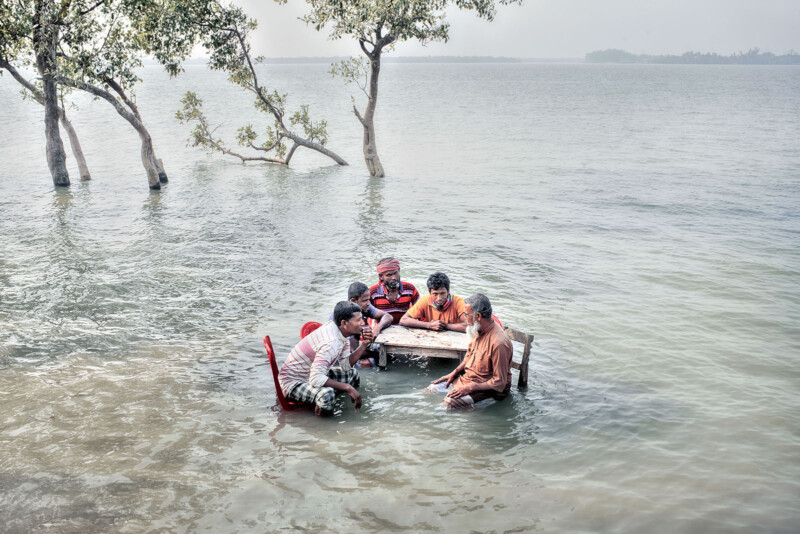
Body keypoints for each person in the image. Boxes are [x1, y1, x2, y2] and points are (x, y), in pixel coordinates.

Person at [279, 301, 374, 416]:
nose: (363, 323)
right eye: (358, 320)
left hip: (310, 374)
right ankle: (322, 428)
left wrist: (364, 344)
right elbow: (315, 379)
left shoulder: (342, 333)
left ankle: (350, 407)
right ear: (344, 323)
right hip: (292, 383)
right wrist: (347, 388)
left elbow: (345, 365)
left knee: (353, 373)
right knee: (327, 395)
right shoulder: (331, 342)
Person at [427, 293, 513, 409]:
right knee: (432, 388)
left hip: (488, 391)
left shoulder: (498, 343)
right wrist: (454, 373)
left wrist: (471, 388)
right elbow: (469, 356)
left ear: (477, 316)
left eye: (467, 314)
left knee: (449, 404)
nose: (464, 318)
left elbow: (499, 383)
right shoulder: (477, 329)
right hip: (467, 380)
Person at [331, 282, 393, 367]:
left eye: (368, 299)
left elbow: (388, 316)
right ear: (353, 301)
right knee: (371, 363)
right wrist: (377, 355)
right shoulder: (346, 315)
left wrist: (377, 328)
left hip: (350, 348)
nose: (368, 303)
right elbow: (353, 349)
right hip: (337, 355)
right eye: (365, 300)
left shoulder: (363, 307)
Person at [400, 272, 468, 333]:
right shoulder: (424, 301)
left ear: (448, 290)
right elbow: (403, 320)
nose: (439, 298)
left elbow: (469, 326)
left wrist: (445, 326)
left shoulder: (458, 302)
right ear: (429, 292)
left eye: (442, 293)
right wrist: (429, 325)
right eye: (435, 294)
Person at [369, 257, 420, 324]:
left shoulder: (410, 289)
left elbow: (420, 310)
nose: (394, 278)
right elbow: (365, 314)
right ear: (381, 277)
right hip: (382, 330)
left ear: (399, 271)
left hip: (406, 328)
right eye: (389, 275)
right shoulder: (372, 293)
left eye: (395, 273)